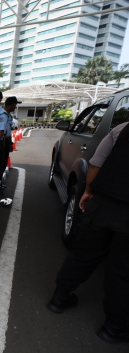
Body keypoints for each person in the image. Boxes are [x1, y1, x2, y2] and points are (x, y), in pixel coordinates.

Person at [47, 121, 129, 344]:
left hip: (102, 205)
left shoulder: (121, 129)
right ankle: (113, 328)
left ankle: (59, 298)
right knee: (121, 271)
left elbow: (95, 165)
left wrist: (89, 192)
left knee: (82, 255)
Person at [0, 96, 20, 190]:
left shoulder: (8, 115)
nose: (15, 107)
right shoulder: (3, 114)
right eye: (15, 105)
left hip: (6, 141)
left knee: (3, 163)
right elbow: (1, 131)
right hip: (1, 142)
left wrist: (10, 144)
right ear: (12, 104)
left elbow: (9, 131)